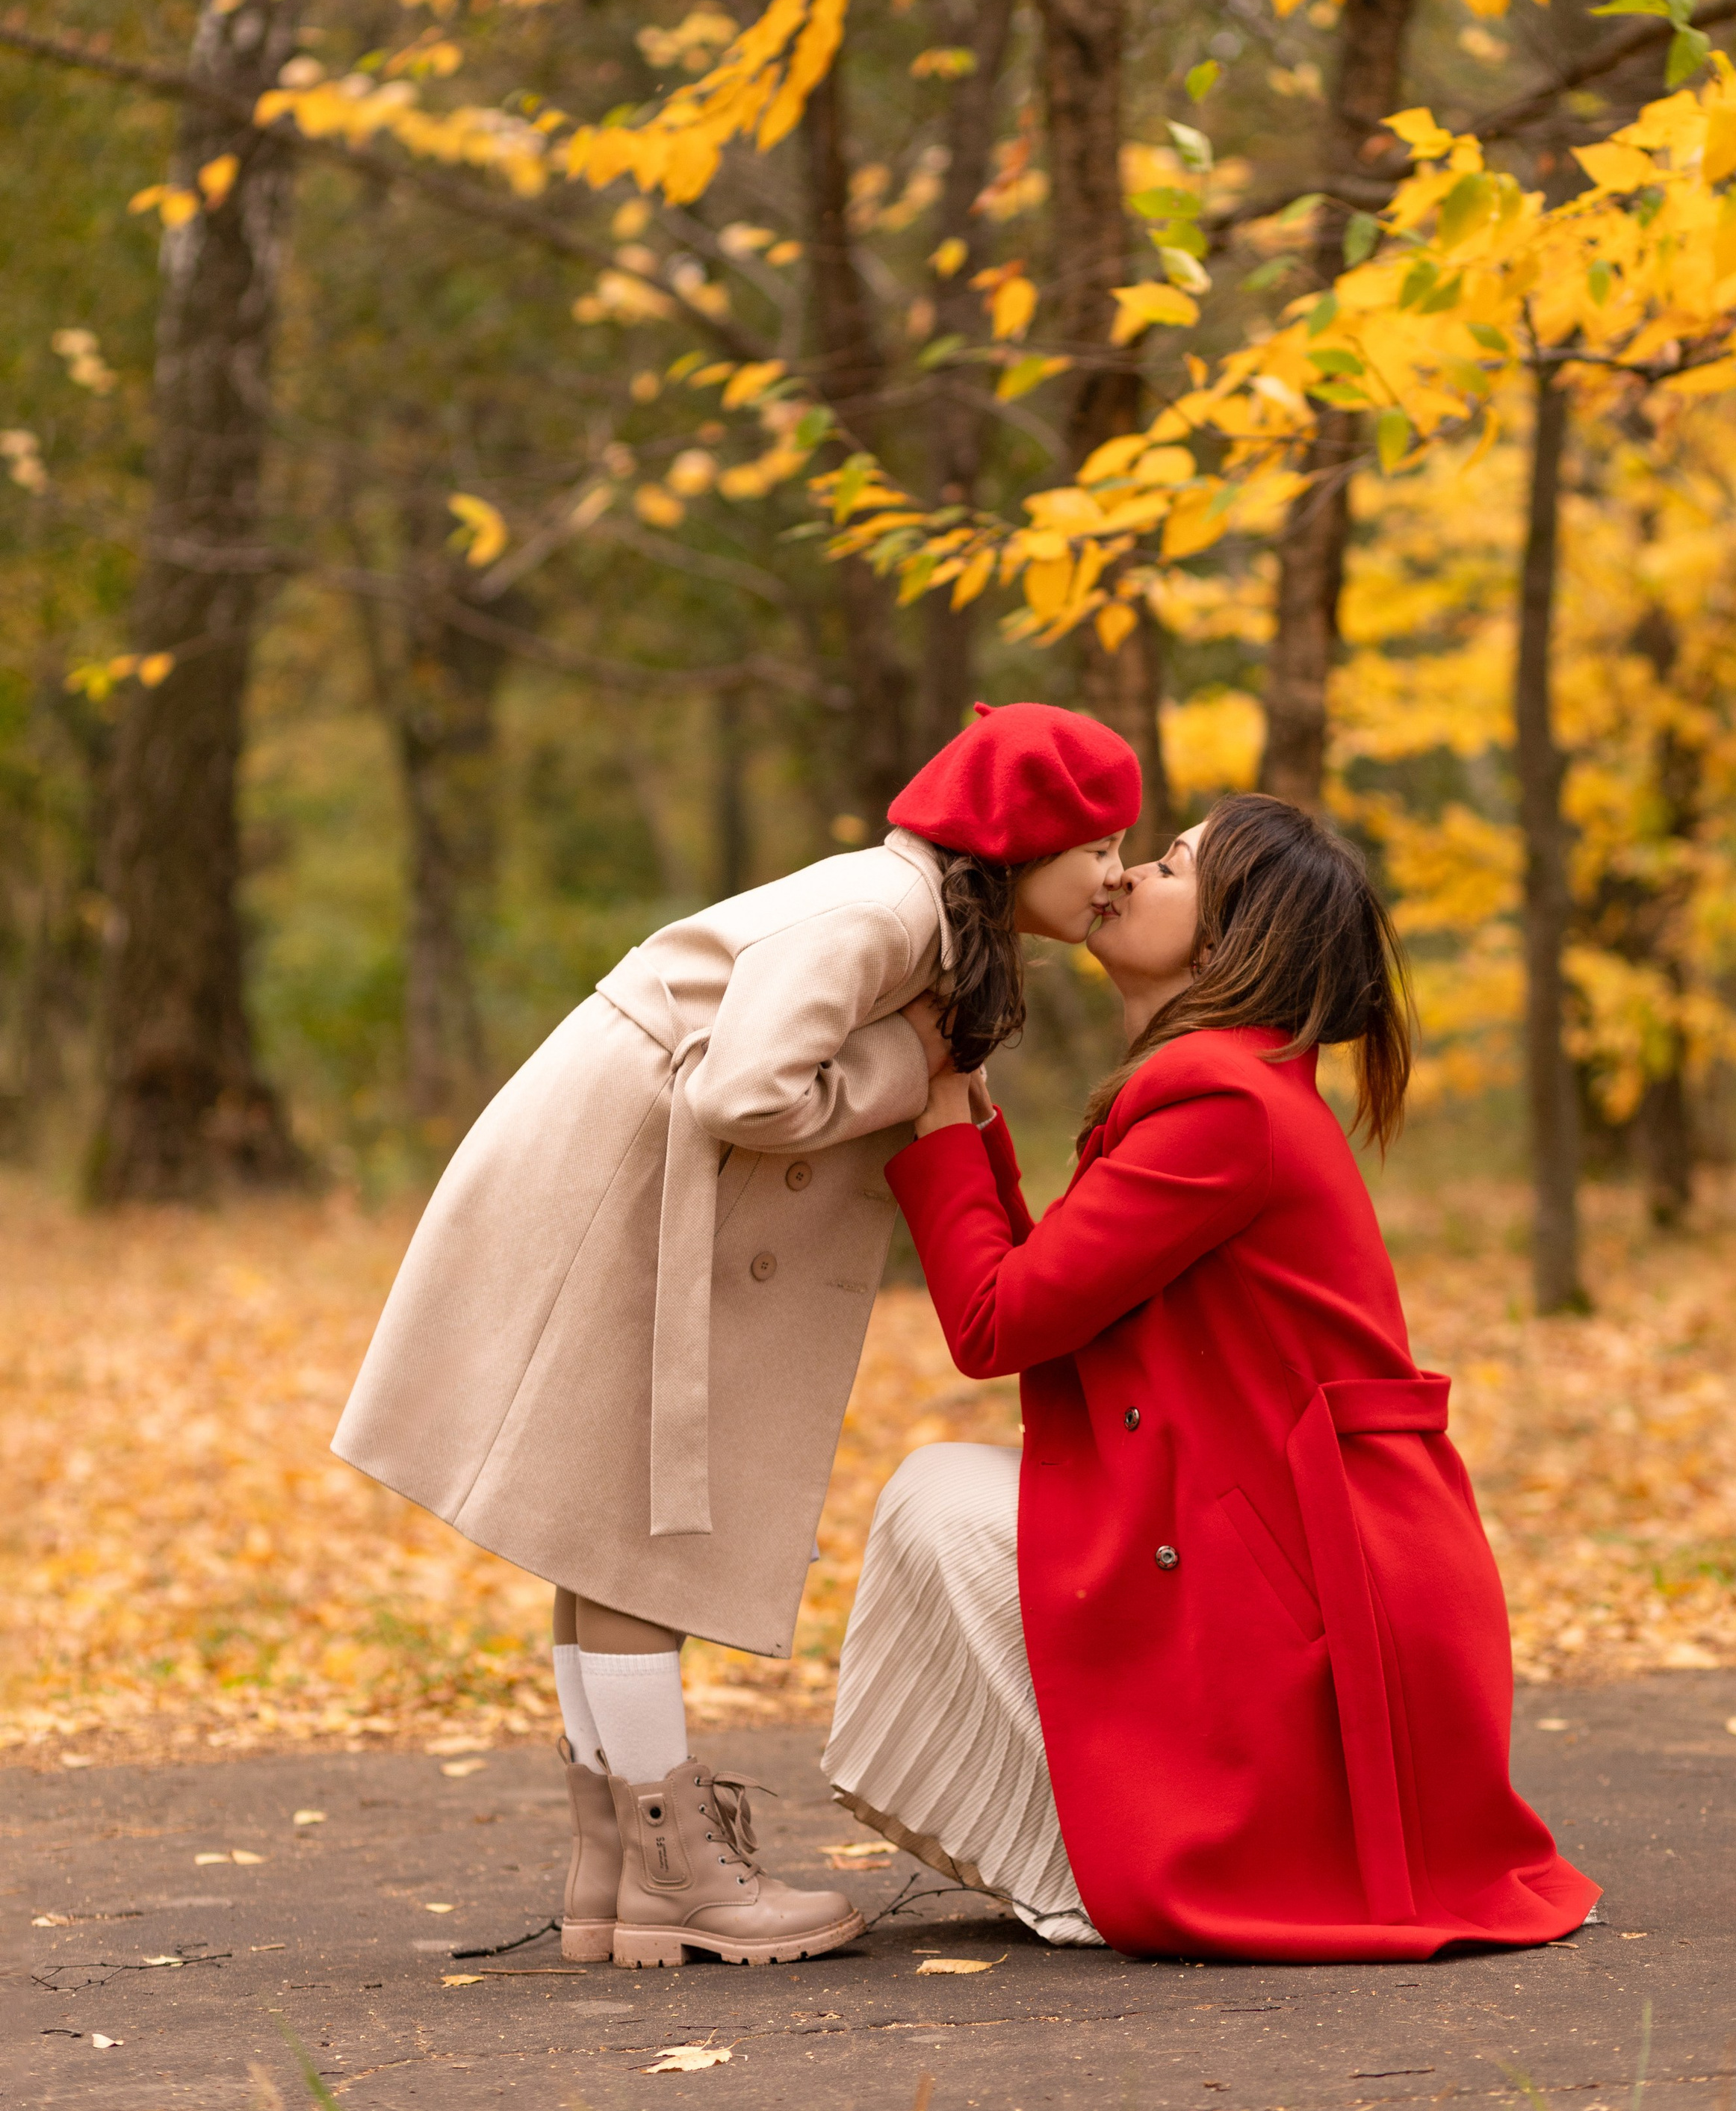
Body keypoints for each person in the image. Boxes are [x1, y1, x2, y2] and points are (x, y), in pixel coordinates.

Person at [332, 701, 1141, 1968]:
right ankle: (673, 1875)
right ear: (1015, 845)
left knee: (612, 1529)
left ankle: (620, 1863)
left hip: (637, 1175)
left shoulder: (912, 915)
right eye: (1096, 843)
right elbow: (749, 1089)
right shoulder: (883, 918)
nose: (1113, 873)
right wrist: (913, 1062)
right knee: (642, 1531)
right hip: (630, 1184)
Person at [823, 793, 1599, 1960]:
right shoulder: (1224, 1086)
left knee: (939, 1501)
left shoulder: (1220, 1103)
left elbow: (998, 1322)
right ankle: (1095, 1855)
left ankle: (1098, 1870)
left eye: (1173, 867)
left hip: (1316, 1580)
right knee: (951, 1497)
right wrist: (971, 1121)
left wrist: (937, 1129)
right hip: (1305, 1541)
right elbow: (1062, 1299)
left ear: (1236, 937)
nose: (1127, 875)